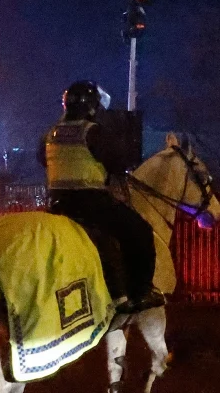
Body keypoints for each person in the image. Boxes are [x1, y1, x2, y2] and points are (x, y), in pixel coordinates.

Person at [39, 81, 157, 314]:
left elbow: (42, 160)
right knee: (140, 231)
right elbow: (117, 162)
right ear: (92, 106)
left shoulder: (50, 134)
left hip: (57, 204)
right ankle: (138, 293)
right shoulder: (91, 131)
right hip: (91, 204)